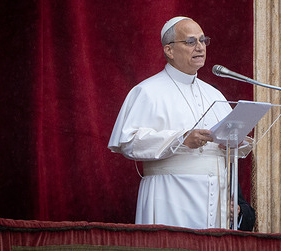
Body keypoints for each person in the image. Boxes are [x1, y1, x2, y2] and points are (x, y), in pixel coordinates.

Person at [108, 16, 254, 230]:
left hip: (216, 197)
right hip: (169, 195)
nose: (200, 47)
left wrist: (234, 142)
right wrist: (181, 139)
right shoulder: (147, 91)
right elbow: (128, 142)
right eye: (191, 41)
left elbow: (229, 144)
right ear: (169, 50)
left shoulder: (214, 94)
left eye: (203, 40)